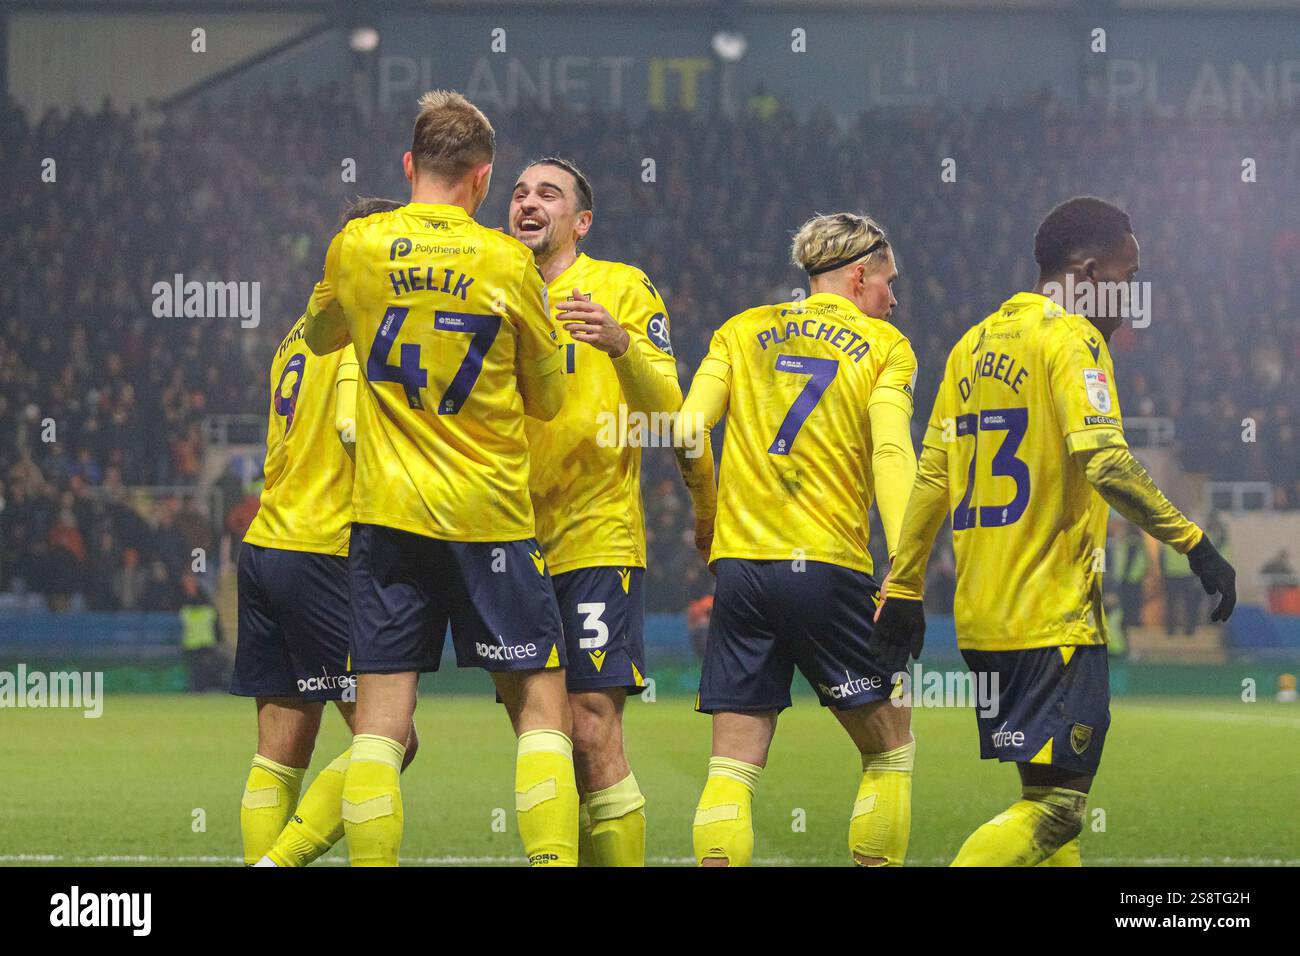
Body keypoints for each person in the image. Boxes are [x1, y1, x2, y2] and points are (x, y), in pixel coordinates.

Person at [874, 196, 1236, 866]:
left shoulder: (971, 345)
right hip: (1052, 618)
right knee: (1059, 810)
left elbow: (931, 477)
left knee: (1042, 799)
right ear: (1089, 270)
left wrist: (903, 585)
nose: (1129, 302)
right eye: (1126, 280)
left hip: (983, 619)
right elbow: (1105, 458)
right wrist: (1195, 543)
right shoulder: (1072, 339)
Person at [305, 90, 576, 866]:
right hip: (490, 518)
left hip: (387, 520)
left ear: (407, 165)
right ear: (484, 179)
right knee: (539, 713)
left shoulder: (356, 244)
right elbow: (550, 399)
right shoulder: (507, 262)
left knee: (381, 729)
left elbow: (325, 336)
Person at [676, 212, 919, 866]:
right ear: (860, 274)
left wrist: (709, 518)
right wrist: (907, 567)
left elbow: (686, 431)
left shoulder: (740, 329)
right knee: (890, 750)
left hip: (743, 571)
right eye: (889, 282)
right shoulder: (885, 348)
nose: (893, 299)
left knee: (731, 766)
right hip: (828, 568)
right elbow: (893, 454)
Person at [231, 197, 422, 868]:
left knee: (280, 751)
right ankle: (275, 865)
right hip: (323, 552)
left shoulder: (296, 335)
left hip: (265, 548)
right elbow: (350, 432)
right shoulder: (361, 335)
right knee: (393, 738)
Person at [508, 157, 682, 865]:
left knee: (590, 729)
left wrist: (621, 343)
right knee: (546, 739)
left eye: (548, 192)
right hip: (510, 543)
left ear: (580, 221)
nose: (528, 201)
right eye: (518, 191)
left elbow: (672, 417)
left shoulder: (621, 287)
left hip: (595, 537)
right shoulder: (494, 288)